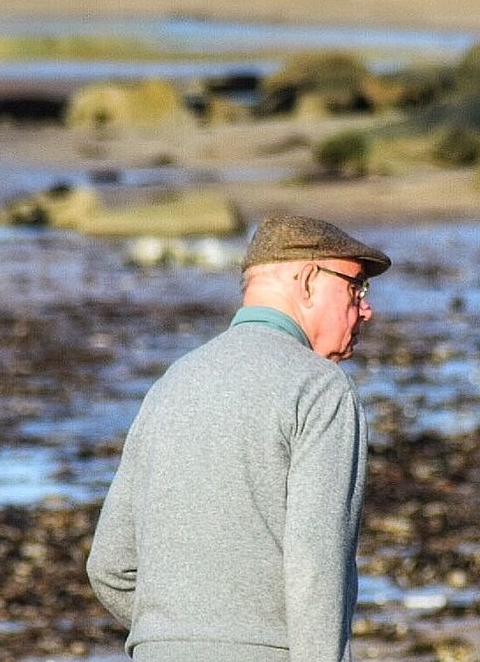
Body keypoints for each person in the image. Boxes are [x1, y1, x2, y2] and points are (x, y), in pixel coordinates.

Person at [87, 214, 391, 662]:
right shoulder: (320, 388)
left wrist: (182, 637)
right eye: (356, 286)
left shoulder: (172, 384)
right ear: (308, 280)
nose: (367, 308)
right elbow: (317, 570)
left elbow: (109, 566)